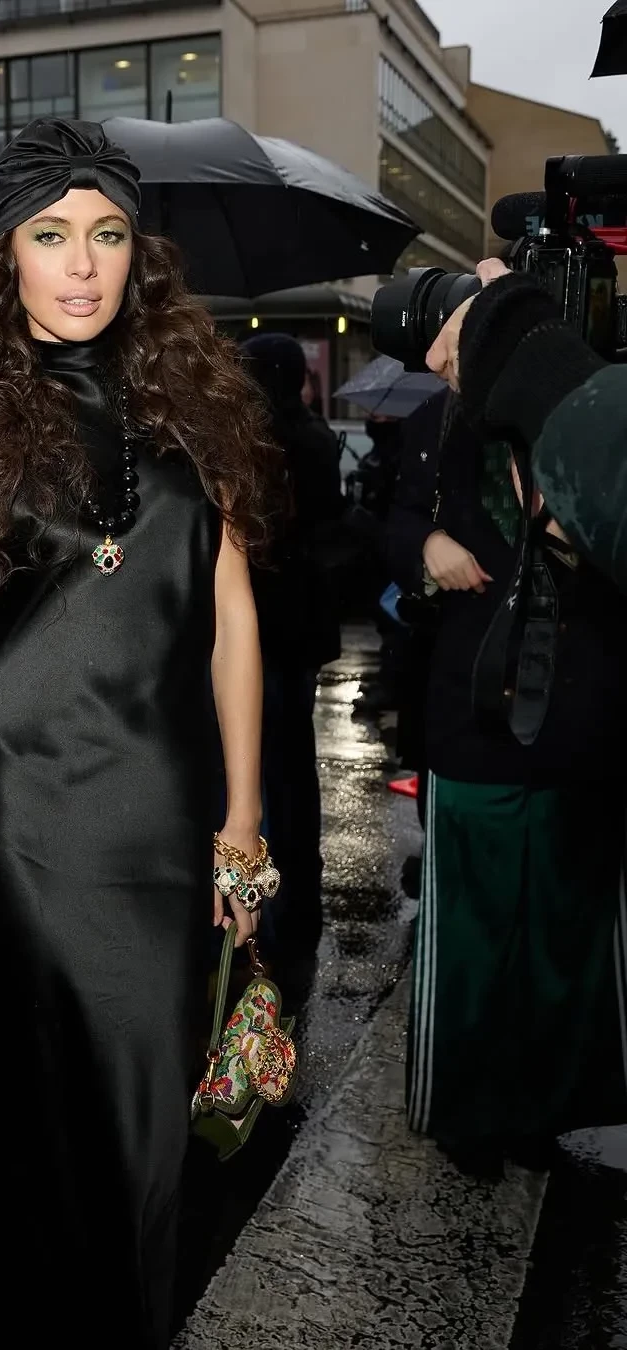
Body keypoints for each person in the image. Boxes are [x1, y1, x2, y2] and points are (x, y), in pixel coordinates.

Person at [0, 118, 282, 1348]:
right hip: (21, 813)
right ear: (3, 256)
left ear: (137, 254)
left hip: (163, 811)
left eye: (107, 235)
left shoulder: (203, 415)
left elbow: (231, 625)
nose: (81, 264)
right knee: (38, 1115)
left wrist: (244, 817)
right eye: (52, 235)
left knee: (150, 1121)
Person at [386, 380, 627, 1177]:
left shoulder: (601, 421)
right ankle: (468, 1115)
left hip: (581, 721)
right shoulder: (440, 422)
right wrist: (426, 548)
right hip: (473, 722)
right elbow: (393, 521)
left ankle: (539, 1111)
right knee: (471, 932)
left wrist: (581, 527)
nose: (439, 353)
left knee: (560, 933)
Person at [428, 258, 627, 594]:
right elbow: (407, 508)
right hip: (479, 609)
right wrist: (428, 540)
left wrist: (525, 345)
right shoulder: (446, 409)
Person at [242, 332, 343, 955]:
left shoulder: (255, 443)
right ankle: (302, 883)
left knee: (258, 763)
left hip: (262, 626)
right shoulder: (317, 438)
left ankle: (272, 904)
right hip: (301, 627)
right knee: (293, 762)